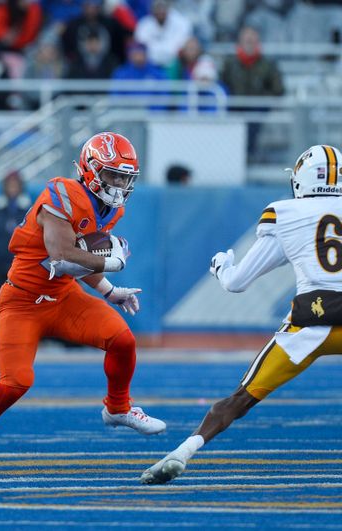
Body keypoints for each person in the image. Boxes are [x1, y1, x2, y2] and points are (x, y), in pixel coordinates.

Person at [0, 131, 166, 471]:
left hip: (63, 296)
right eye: (113, 174)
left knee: (123, 340)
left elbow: (75, 262)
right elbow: (60, 253)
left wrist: (109, 290)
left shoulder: (110, 210)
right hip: (22, 301)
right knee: (16, 382)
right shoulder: (63, 192)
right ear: (90, 169)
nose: (118, 183)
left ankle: (117, 407)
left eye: (124, 177)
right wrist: (109, 262)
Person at [142, 144, 342, 484]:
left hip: (311, 322)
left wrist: (221, 266)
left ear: (301, 180)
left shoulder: (285, 213)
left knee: (240, 399)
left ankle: (183, 452)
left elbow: (237, 283)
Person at [220, 26, 284, 157]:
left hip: (258, 108)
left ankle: (249, 154)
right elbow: (222, 85)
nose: (249, 41)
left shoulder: (268, 64)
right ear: (240, 41)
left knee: (254, 121)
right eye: (246, 38)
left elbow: (278, 89)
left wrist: (262, 99)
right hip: (235, 107)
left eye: (252, 38)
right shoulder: (230, 63)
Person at [0, 170, 32, 307]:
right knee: (0, 303)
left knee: (21, 305)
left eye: (15, 184)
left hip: (21, 266)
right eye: (9, 184)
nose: (12, 188)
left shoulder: (28, 209)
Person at [133, 0, 193, 68]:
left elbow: (182, 44)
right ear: (152, 9)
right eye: (157, 8)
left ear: (168, 8)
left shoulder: (181, 22)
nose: (160, 11)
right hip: (149, 62)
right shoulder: (144, 25)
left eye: (162, 8)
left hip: (174, 61)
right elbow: (141, 45)